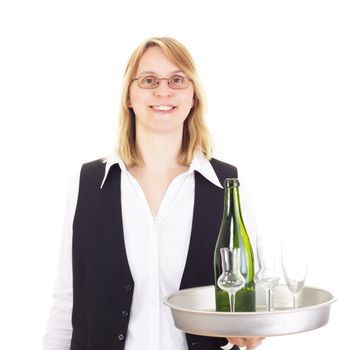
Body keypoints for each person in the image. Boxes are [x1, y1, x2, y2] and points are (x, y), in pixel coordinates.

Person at [43, 37, 264, 350]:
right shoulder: (88, 183)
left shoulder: (228, 185)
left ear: (193, 97)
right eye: (149, 80)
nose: (164, 91)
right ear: (129, 97)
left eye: (177, 80)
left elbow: (246, 303)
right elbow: (66, 304)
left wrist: (249, 328)